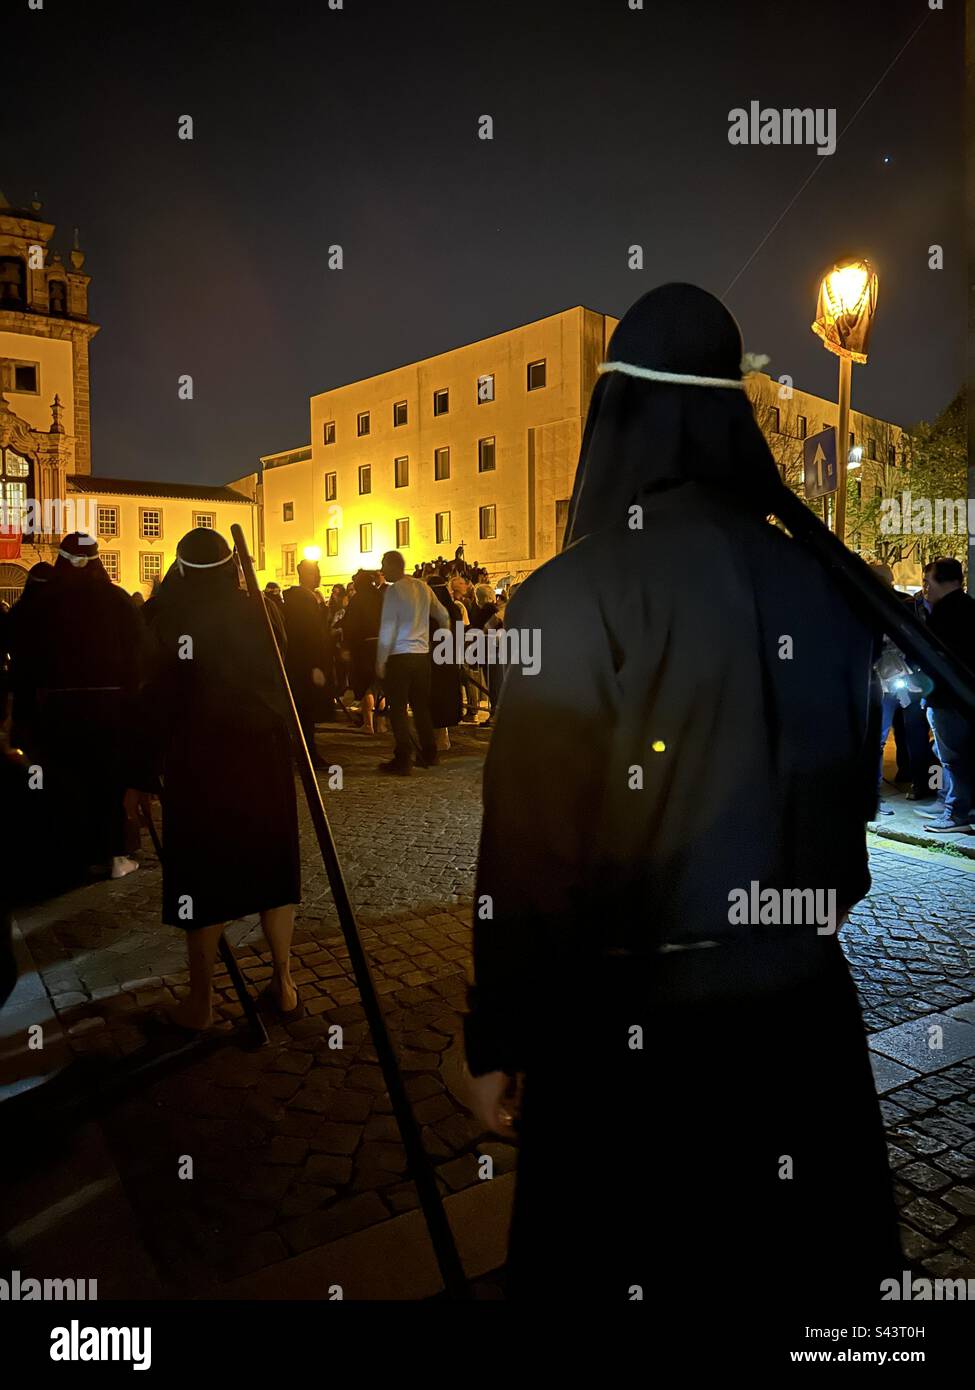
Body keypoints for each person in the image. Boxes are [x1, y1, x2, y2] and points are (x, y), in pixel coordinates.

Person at [463, 284, 899, 1306]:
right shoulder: (827, 592)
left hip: (629, 1061)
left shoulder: (570, 595)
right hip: (803, 1046)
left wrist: (500, 1039)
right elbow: (844, 846)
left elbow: (530, 855)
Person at [130, 527, 301, 1030]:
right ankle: (284, 982)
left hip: (203, 761)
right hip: (263, 754)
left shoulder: (167, 619)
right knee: (273, 868)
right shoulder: (261, 611)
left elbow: (155, 700)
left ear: (180, 570)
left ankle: (201, 1002)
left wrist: (141, 772)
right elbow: (281, 673)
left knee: (204, 876)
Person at [10, 534, 146, 882]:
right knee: (108, 781)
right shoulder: (117, 601)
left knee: (66, 782)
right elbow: (139, 655)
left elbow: (23, 658)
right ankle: (114, 853)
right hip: (109, 708)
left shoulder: (42, 603)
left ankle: (72, 853)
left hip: (56, 710)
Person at [375, 550, 449, 774]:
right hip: (421, 655)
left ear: (393, 565)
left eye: (383, 564)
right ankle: (429, 751)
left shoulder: (394, 591)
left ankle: (403, 756)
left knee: (397, 709)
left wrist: (380, 659)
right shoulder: (422, 587)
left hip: (399, 655)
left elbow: (388, 626)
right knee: (420, 707)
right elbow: (443, 615)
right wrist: (442, 639)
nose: (381, 568)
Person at [919, 557, 975, 834]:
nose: (925, 588)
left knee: (952, 756)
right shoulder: (969, 607)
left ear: (944, 581)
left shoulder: (944, 615)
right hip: (962, 697)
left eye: (928, 581)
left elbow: (932, 657)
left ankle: (956, 813)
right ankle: (955, 805)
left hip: (946, 698)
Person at [282, 559, 330, 769]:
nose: (319, 576)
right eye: (316, 572)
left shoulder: (301, 599)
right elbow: (311, 636)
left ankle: (303, 751)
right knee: (305, 712)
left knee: (303, 712)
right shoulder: (304, 601)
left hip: (301, 662)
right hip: (305, 664)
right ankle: (307, 754)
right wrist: (317, 666)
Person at [343, 569, 384, 733]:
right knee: (379, 684)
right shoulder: (380, 597)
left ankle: (368, 724)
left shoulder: (358, 599)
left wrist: (346, 643)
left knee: (366, 684)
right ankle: (382, 723)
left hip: (365, 646)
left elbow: (351, 624)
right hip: (383, 644)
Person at [427, 573, 464, 750]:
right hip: (450, 658)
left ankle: (440, 737)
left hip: (435, 660)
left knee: (436, 698)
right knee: (445, 697)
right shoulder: (454, 609)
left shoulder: (431, 612)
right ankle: (443, 735)